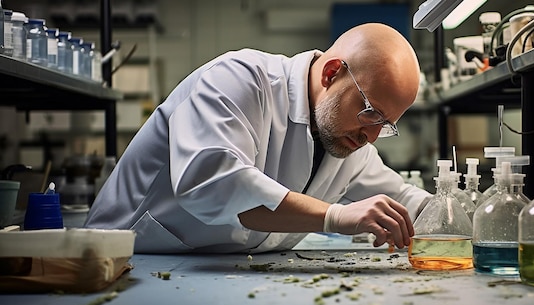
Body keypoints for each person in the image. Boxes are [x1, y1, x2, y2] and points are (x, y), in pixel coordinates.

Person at [84, 22, 433, 254]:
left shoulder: (348, 139)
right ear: (331, 73)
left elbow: (401, 198)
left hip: (219, 273)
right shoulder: (241, 79)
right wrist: (333, 217)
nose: (372, 135)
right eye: (371, 111)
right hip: (129, 262)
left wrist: (463, 212)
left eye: (385, 123)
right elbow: (214, 183)